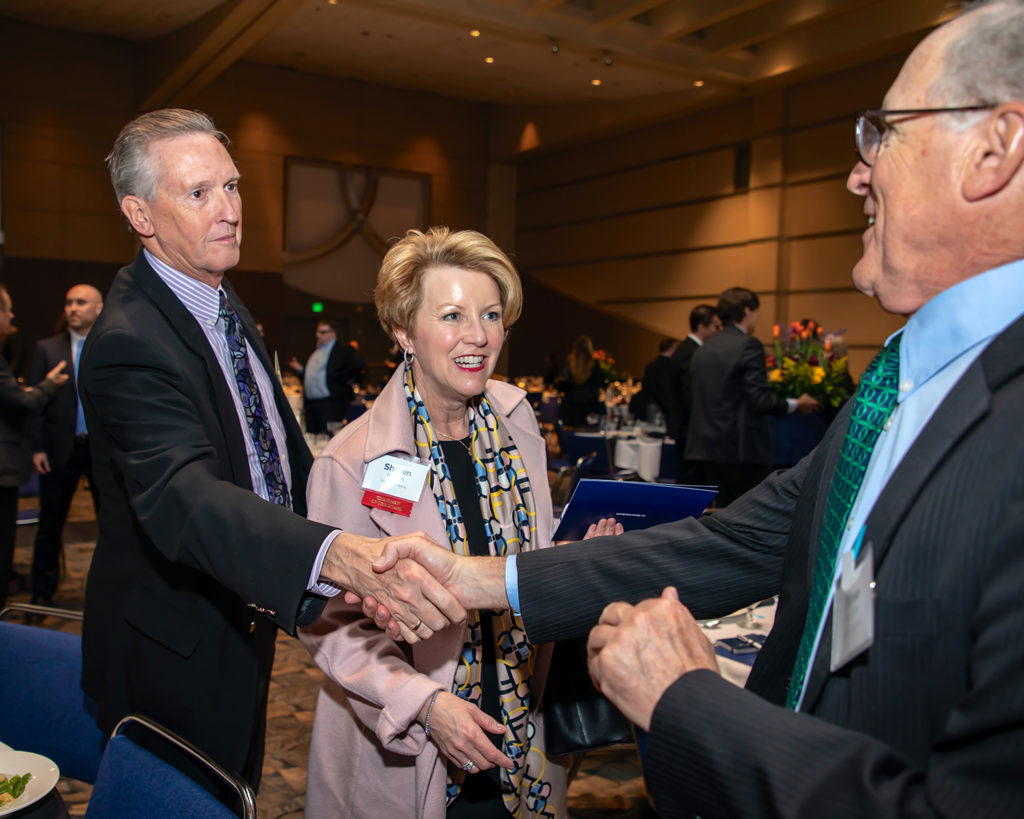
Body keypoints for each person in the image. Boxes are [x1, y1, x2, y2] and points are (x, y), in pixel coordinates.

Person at [365, 1, 1024, 814]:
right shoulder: (901, 378)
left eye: (881, 132)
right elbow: (733, 543)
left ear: (994, 150)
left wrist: (688, 701)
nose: (859, 171)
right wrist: (482, 579)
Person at [79, 109, 464, 789]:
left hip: (245, 616)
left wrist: (357, 526)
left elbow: (276, 460)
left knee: (238, 790)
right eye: (198, 193)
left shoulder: (223, 309)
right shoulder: (128, 340)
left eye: (231, 187)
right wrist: (338, 556)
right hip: (175, 650)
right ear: (139, 213)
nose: (228, 210)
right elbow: (186, 498)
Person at [300, 227, 569, 818]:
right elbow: (331, 625)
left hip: (522, 728)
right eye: (452, 315)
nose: (478, 336)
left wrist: (581, 559)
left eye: (491, 314)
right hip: (412, 741)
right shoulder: (352, 463)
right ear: (404, 332)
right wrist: (423, 704)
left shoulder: (519, 423)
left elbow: (528, 558)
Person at [686, 287, 818, 505]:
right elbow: (759, 400)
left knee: (719, 513)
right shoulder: (748, 345)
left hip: (704, 448)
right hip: (739, 450)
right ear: (747, 311)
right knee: (746, 515)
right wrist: (797, 404)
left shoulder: (703, 349)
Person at [28, 284, 104, 607]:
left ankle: (109, 596)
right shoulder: (47, 348)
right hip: (60, 449)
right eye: (69, 302)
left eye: (81, 302)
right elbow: (34, 405)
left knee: (113, 526)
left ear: (98, 309)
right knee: (50, 524)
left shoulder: (110, 346)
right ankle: (41, 595)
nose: (72, 308)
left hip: (102, 452)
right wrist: (37, 447)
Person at [0, 286, 68, 608]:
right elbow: (25, 403)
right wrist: (50, 384)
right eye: (8, 309)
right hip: (12, 463)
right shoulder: (46, 348)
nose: (12, 316)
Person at [668, 304, 720, 484]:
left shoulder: (687, 349)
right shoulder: (691, 352)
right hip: (690, 429)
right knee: (692, 481)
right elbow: (690, 396)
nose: (718, 331)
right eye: (715, 326)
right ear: (701, 326)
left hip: (688, 428)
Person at [287, 319, 364, 434]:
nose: (318, 335)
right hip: (313, 405)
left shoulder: (342, 350)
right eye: (317, 332)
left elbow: (357, 366)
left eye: (322, 332)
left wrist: (340, 380)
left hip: (330, 404)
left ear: (333, 333)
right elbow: (316, 375)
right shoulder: (318, 350)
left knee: (329, 437)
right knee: (313, 438)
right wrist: (301, 370)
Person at [556, 335, 605, 426]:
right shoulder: (594, 363)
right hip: (589, 410)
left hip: (570, 410)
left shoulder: (570, 362)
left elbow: (561, 386)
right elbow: (601, 383)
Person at [630, 338, 677, 425]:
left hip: (649, 406)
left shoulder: (651, 365)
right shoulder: (672, 366)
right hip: (663, 408)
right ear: (671, 348)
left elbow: (646, 386)